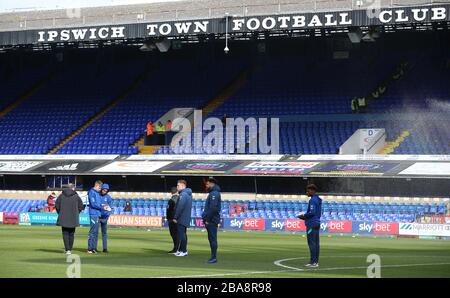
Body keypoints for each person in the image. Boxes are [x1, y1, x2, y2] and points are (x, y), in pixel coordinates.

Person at [55, 184, 84, 255]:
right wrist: (76, 213)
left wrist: (60, 213)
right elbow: (81, 206)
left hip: (63, 217)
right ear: (72, 188)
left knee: (65, 233)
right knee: (71, 234)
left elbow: (57, 205)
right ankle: (69, 249)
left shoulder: (61, 196)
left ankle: (67, 249)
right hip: (73, 218)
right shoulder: (76, 196)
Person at [298, 184, 322, 268]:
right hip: (316, 223)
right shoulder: (318, 199)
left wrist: (303, 216)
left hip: (311, 224)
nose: (307, 192)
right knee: (316, 243)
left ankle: (313, 262)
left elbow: (312, 212)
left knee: (311, 243)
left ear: (312, 191)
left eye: (308, 191)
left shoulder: (312, 200)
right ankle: (315, 261)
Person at [202, 177, 221, 264]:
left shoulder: (214, 193)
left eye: (208, 184)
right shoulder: (213, 193)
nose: (206, 185)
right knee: (211, 239)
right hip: (211, 220)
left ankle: (214, 257)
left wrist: (207, 219)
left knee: (212, 239)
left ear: (212, 183)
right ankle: (213, 256)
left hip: (212, 220)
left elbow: (213, 208)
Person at [173, 179, 192, 257]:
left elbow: (180, 207)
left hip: (181, 218)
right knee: (183, 234)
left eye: (178, 185)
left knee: (182, 235)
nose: (177, 187)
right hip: (185, 217)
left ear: (183, 186)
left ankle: (183, 251)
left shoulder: (183, 195)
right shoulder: (187, 194)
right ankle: (181, 250)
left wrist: (175, 217)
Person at [87, 180, 104, 254]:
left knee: (96, 232)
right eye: (100, 188)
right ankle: (90, 248)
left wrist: (103, 206)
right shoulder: (91, 192)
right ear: (96, 186)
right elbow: (93, 204)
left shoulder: (97, 193)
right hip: (93, 214)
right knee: (92, 231)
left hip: (98, 214)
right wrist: (101, 206)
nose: (100, 190)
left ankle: (94, 248)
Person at [99, 183, 113, 253]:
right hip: (97, 217)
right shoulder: (97, 196)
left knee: (104, 233)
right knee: (94, 233)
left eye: (106, 190)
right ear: (102, 189)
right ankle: (93, 248)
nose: (105, 191)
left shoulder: (108, 198)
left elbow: (111, 209)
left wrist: (106, 215)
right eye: (104, 190)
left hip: (104, 218)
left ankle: (105, 248)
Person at [166, 186, 179, 254]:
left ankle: (176, 249)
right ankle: (177, 248)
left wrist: (169, 218)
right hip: (176, 219)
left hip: (172, 219)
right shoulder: (178, 199)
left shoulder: (172, 200)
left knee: (174, 234)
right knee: (176, 234)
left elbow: (169, 210)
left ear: (171, 192)